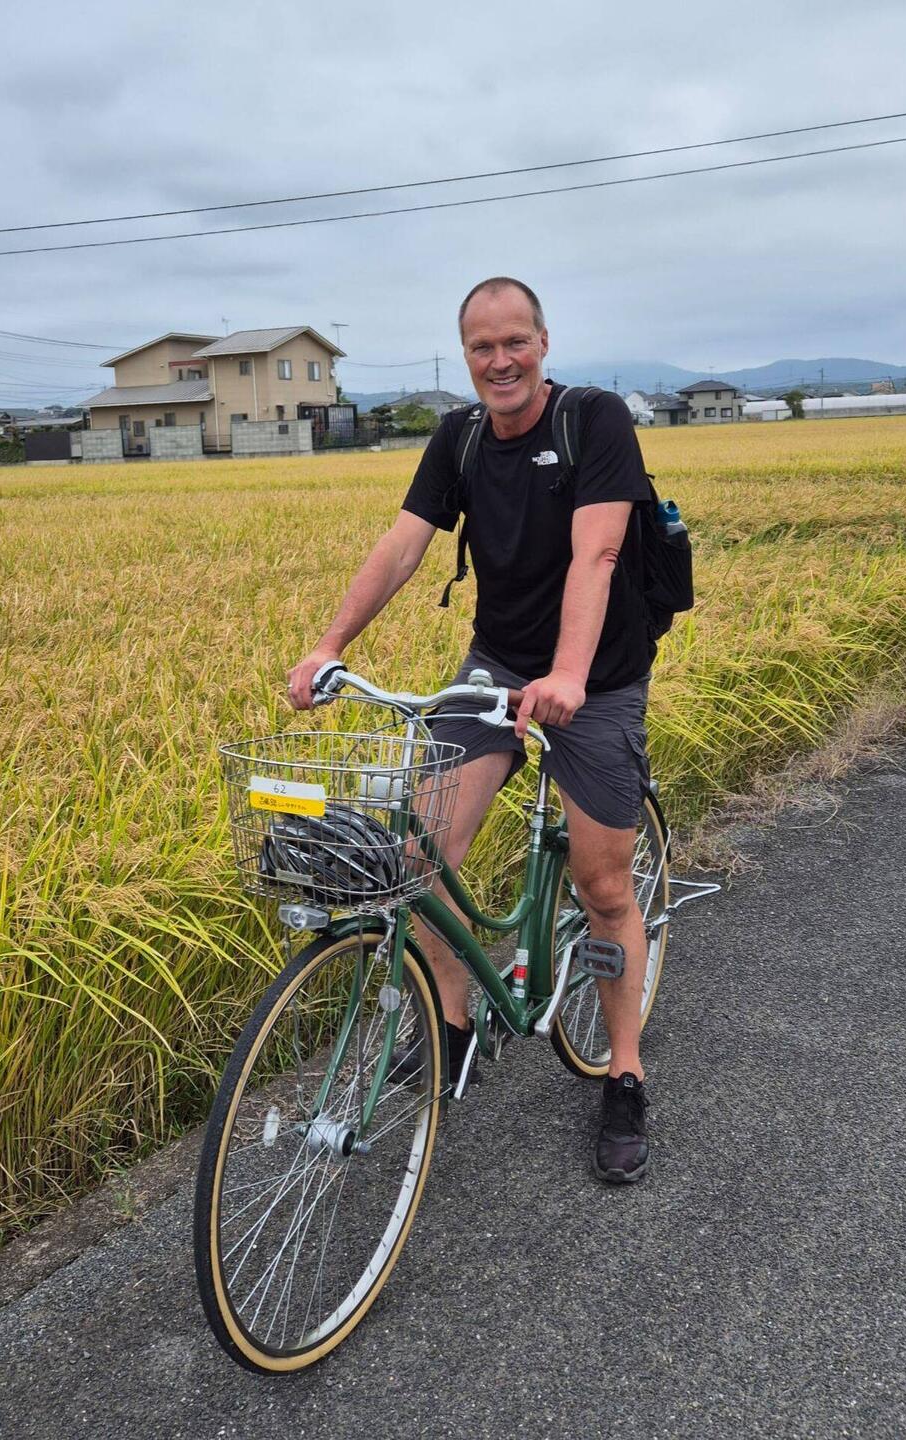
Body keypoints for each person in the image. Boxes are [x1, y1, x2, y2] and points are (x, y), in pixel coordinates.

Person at [289, 276, 657, 1184]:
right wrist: (330, 645)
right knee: (419, 854)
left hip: (597, 674)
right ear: (466, 355)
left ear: (544, 342)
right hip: (495, 664)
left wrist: (568, 674)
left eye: (515, 341)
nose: (500, 361)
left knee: (603, 885)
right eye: (482, 347)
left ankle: (624, 1071)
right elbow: (403, 545)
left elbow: (598, 553)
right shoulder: (458, 437)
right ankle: (453, 1023)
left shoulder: (594, 420)